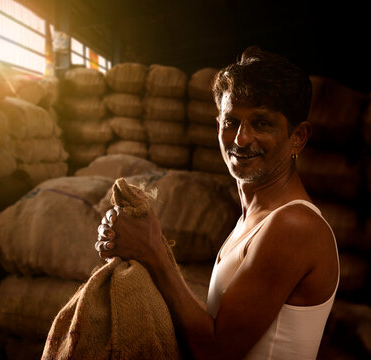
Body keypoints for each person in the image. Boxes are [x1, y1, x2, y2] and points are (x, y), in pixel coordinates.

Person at [95, 46, 339, 360]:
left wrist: (153, 250)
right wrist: (136, 246)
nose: (240, 139)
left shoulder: (294, 226)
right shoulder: (253, 220)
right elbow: (220, 324)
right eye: (231, 122)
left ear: (298, 137)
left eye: (261, 124)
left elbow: (215, 350)